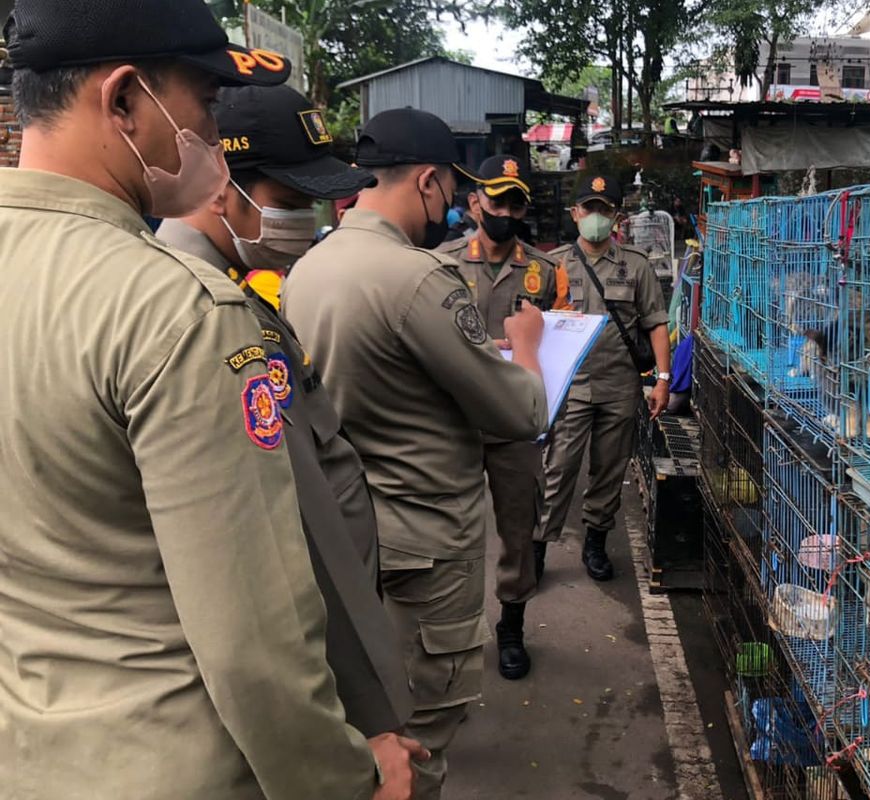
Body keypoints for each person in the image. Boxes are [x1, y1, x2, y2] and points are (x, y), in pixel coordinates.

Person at [0, 1, 418, 799]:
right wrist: (349, 777)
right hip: (175, 761)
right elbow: (252, 643)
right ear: (125, 99)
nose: (211, 135)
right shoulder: (178, 312)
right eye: (206, 103)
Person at [283, 108, 549, 800]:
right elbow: (521, 412)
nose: (452, 207)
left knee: (370, 715)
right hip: (425, 540)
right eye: (451, 190)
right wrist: (526, 347)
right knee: (420, 735)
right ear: (429, 182)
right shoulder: (417, 278)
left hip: (350, 533)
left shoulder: (309, 266)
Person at [155, 83, 414, 743]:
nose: (308, 220)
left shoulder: (228, 292)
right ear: (220, 186)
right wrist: (367, 717)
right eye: (292, 201)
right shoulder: (208, 319)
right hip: (313, 663)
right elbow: (297, 530)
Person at [438, 156, 567, 681]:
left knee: (518, 530)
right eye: (498, 201)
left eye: (516, 204)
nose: (506, 213)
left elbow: (557, 346)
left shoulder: (545, 271)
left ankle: (511, 625)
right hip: (456, 422)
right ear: (475, 203)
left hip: (515, 424)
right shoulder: (440, 265)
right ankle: (450, 631)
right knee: (450, 532)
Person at [537, 175, 671, 582]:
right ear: (575, 213)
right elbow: (532, 324)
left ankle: (595, 542)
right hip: (570, 387)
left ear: (616, 217)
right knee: (558, 469)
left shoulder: (636, 265)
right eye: (588, 208)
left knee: (609, 470)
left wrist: (663, 379)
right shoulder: (554, 264)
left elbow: (656, 323)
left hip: (619, 387)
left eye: (604, 209)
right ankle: (536, 546)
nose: (595, 216)